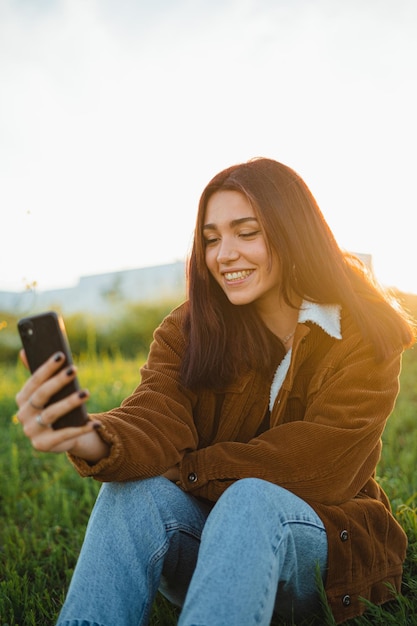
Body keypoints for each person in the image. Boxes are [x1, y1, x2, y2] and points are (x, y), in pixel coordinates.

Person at [16, 157, 414, 626]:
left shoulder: (364, 331)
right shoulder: (188, 328)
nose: (223, 254)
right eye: (211, 238)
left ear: (293, 233)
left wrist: (187, 471)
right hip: (214, 555)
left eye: (247, 233)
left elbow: (321, 466)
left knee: (250, 498)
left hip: (323, 557)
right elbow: (157, 411)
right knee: (130, 494)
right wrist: (87, 436)